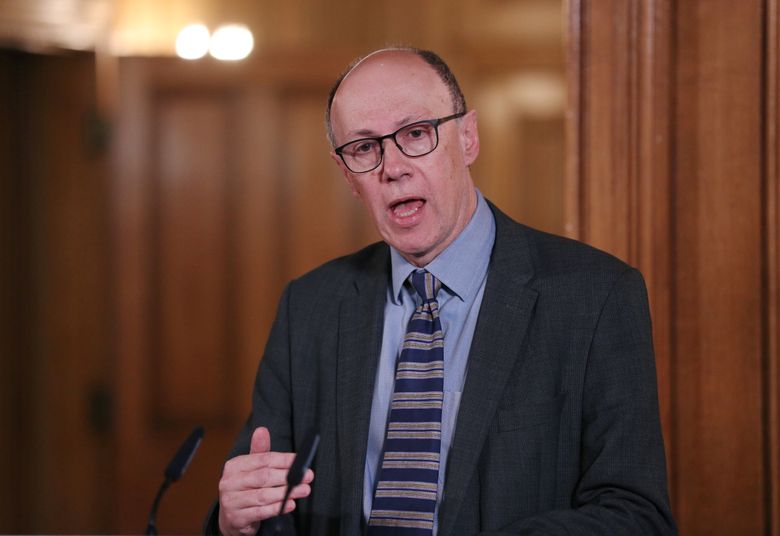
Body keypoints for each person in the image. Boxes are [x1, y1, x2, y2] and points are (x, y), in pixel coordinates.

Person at [205, 47, 676, 535]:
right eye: (365, 148)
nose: (393, 167)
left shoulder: (594, 296)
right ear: (347, 174)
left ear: (467, 138)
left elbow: (636, 516)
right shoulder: (309, 307)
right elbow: (263, 502)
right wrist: (235, 520)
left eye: (415, 134)